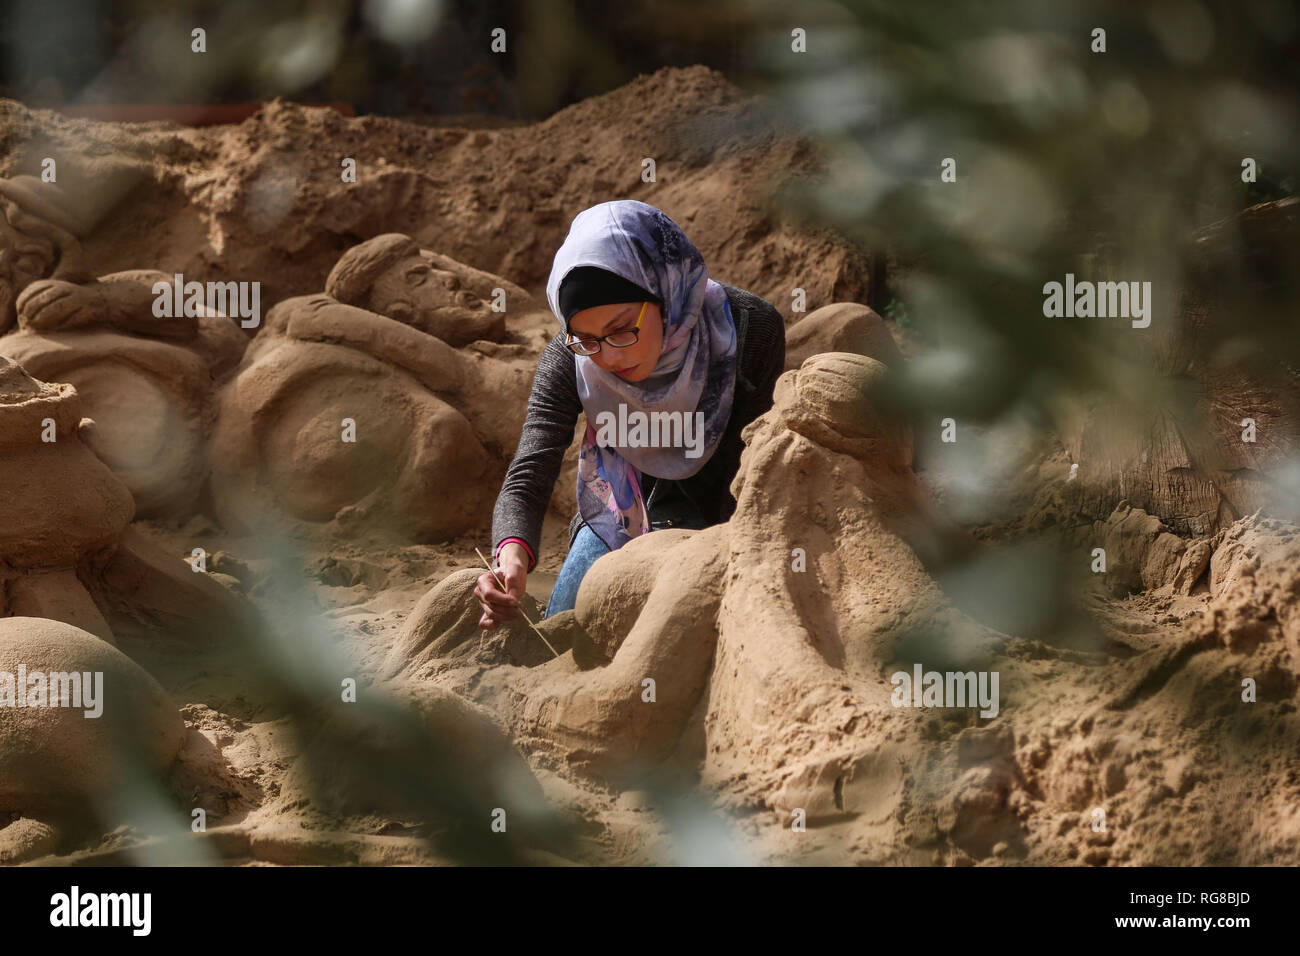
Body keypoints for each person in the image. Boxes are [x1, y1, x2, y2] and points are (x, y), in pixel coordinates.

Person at [475, 199, 785, 629]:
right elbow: (531, 467)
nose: (606, 357)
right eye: (586, 339)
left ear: (664, 293)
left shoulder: (749, 329)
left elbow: (759, 465)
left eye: (622, 330)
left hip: (723, 520)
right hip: (616, 517)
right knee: (570, 633)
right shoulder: (571, 357)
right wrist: (510, 556)